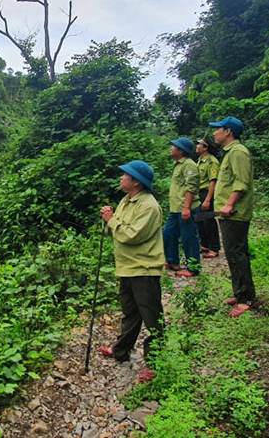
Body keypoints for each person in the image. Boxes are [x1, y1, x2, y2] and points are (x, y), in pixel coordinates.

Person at [98, 160, 164, 383]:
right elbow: (116, 231)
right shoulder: (127, 201)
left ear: (136, 181)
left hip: (143, 268)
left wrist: (111, 220)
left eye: (125, 175)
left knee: (152, 316)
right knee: (130, 313)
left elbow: (131, 235)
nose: (121, 177)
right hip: (127, 267)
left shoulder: (149, 206)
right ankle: (121, 351)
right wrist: (108, 220)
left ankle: (156, 363)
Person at [209, 117, 257, 318]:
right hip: (229, 213)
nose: (214, 133)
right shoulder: (230, 153)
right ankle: (240, 293)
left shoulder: (238, 152)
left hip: (235, 213)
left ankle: (245, 299)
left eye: (217, 129)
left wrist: (229, 204)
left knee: (236, 254)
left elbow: (241, 182)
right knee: (234, 254)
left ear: (227, 131)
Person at [163, 137, 201, 277]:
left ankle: (193, 267)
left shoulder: (189, 165)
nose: (171, 148)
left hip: (186, 208)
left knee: (189, 237)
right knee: (168, 234)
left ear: (181, 151)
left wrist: (186, 208)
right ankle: (172, 261)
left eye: (174, 147)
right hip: (176, 208)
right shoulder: (178, 164)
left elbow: (191, 188)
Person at [196, 135, 221, 258]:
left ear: (205, 148)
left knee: (208, 220)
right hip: (198, 193)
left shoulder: (212, 162)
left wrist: (208, 199)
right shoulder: (200, 160)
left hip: (206, 193)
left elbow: (213, 182)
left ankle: (214, 247)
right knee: (199, 220)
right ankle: (205, 244)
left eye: (199, 144)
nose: (197, 146)